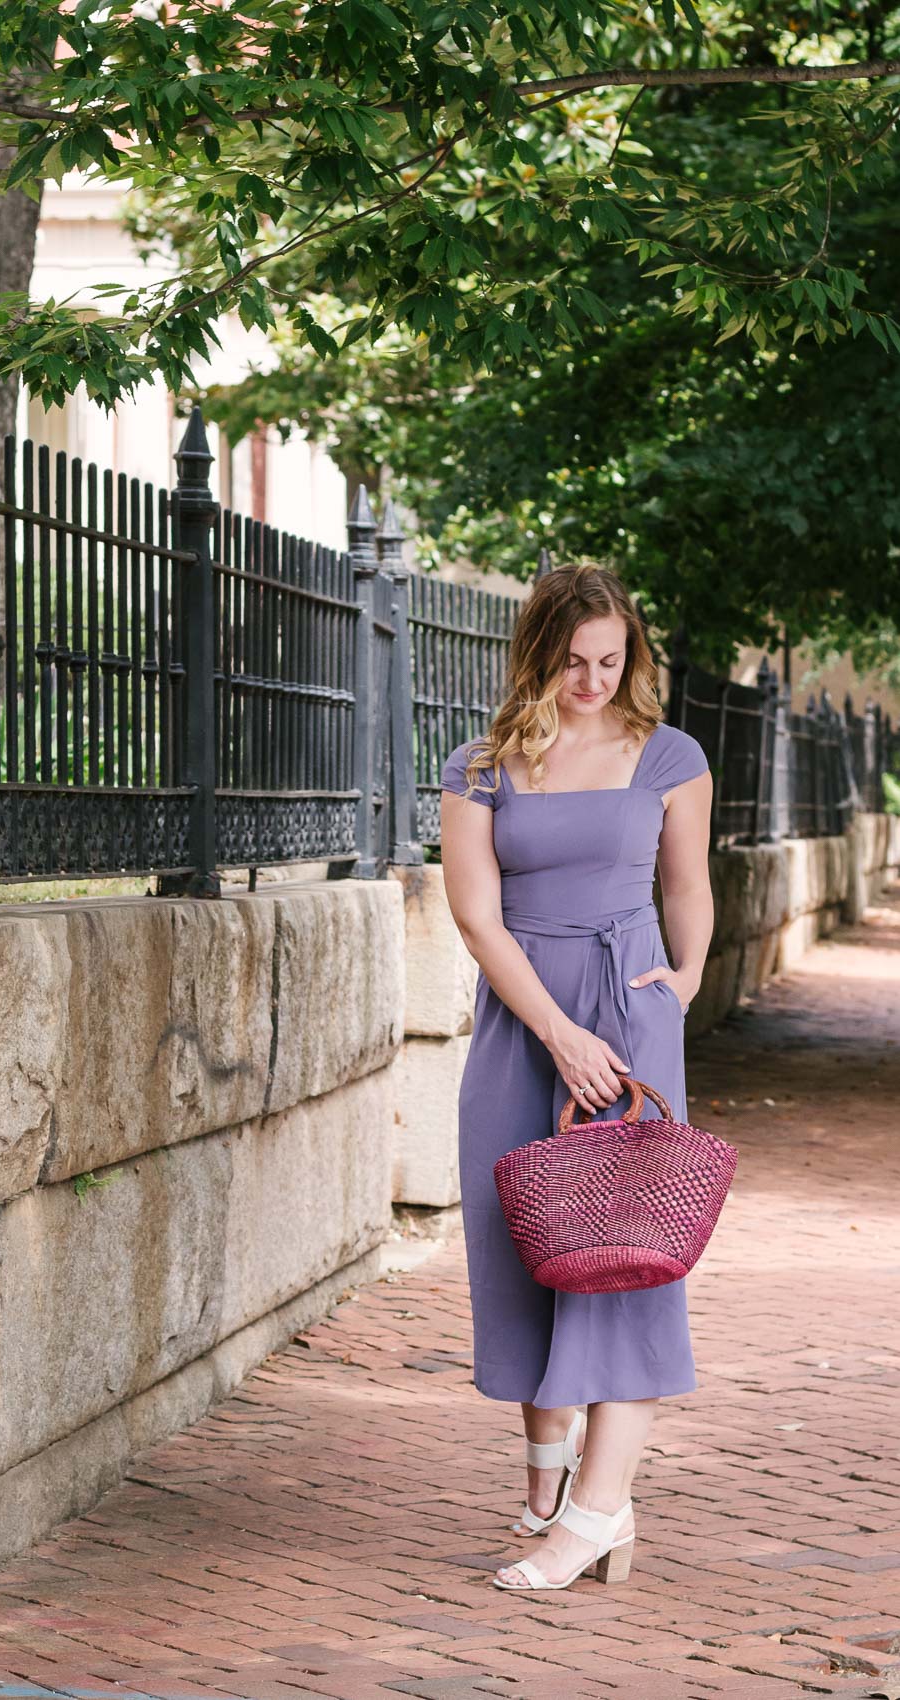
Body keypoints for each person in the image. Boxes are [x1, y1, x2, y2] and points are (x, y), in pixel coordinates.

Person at [438, 563, 714, 1593]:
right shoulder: (479, 766)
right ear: (535, 655)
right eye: (572, 663)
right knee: (526, 1245)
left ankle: (589, 1519)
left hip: (628, 1010)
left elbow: (686, 885)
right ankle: (550, 1478)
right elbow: (475, 915)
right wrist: (555, 1032)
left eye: (610, 661)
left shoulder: (669, 755)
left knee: (627, 1254)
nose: (593, 680)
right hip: (524, 1021)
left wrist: (679, 983)